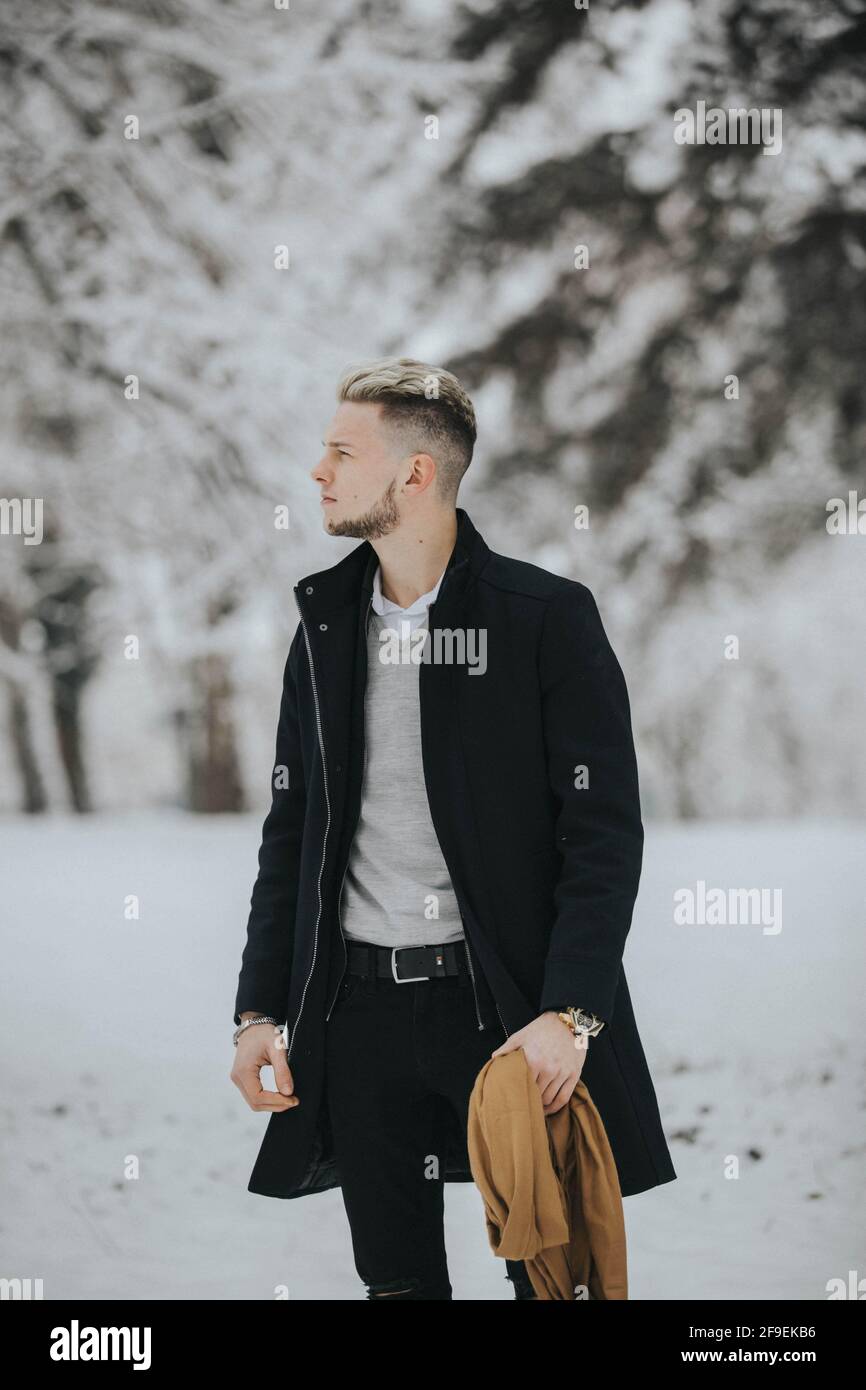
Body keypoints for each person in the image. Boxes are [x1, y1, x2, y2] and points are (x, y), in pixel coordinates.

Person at [230, 356, 676, 1300]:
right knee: (395, 1288)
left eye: (342, 452)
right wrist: (259, 1010)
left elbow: (602, 835)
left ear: (416, 475)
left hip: (505, 1016)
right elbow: (292, 827)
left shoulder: (543, 619)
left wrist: (570, 1012)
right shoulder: (324, 623)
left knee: (550, 1279)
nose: (318, 471)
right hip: (358, 1018)